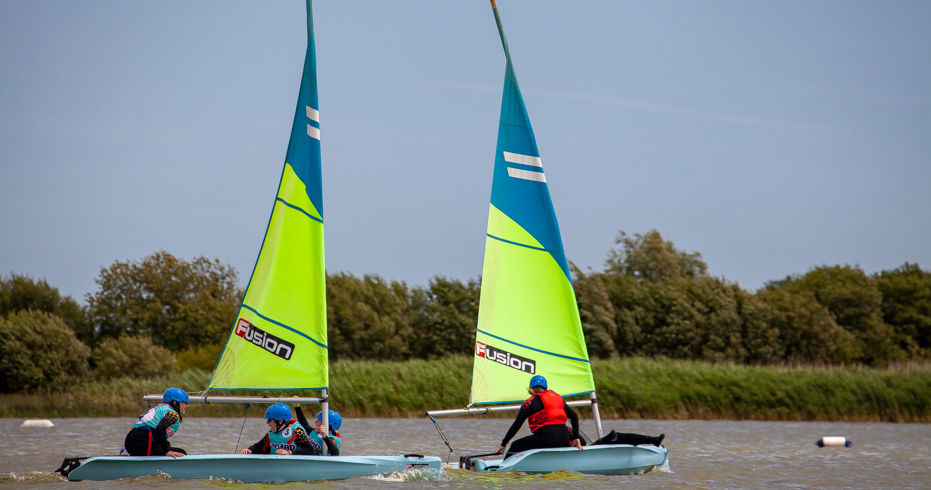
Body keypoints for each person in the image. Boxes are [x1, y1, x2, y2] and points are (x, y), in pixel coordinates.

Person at [496, 375, 583, 459]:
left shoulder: (528, 403)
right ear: (546, 388)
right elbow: (574, 416)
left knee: (515, 445)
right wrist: (575, 437)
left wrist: (503, 444)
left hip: (547, 440)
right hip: (564, 438)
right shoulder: (558, 398)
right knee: (580, 439)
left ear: (531, 389)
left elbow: (516, 425)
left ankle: (503, 468)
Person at [123, 387, 189, 457]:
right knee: (182, 453)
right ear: (175, 402)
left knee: (176, 451)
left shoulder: (160, 407)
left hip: (130, 442)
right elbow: (160, 428)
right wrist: (166, 450)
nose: (187, 406)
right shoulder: (172, 413)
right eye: (185, 403)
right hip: (142, 441)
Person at [240, 403, 322, 455]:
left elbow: (310, 450)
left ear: (280, 421)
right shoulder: (272, 432)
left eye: (269, 420)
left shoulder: (297, 431)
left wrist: (289, 453)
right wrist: (249, 450)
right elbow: (259, 446)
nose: (267, 422)